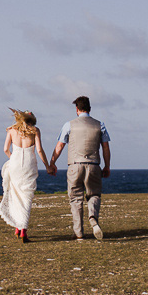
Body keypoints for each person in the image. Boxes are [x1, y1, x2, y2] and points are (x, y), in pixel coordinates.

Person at [49, 96, 111, 240]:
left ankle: (79, 233)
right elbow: (106, 147)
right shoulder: (100, 125)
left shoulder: (69, 125)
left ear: (77, 109)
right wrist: (107, 166)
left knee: (76, 199)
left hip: (75, 166)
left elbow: (59, 146)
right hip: (94, 165)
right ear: (90, 108)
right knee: (94, 194)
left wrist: (52, 163)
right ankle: (92, 217)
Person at [0, 108, 51, 243]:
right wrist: (47, 166)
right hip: (29, 164)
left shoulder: (11, 130)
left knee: (16, 196)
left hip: (15, 164)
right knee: (27, 196)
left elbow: (5, 149)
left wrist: (13, 159)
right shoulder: (35, 130)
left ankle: (17, 227)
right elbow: (39, 150)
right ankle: (23, 231)